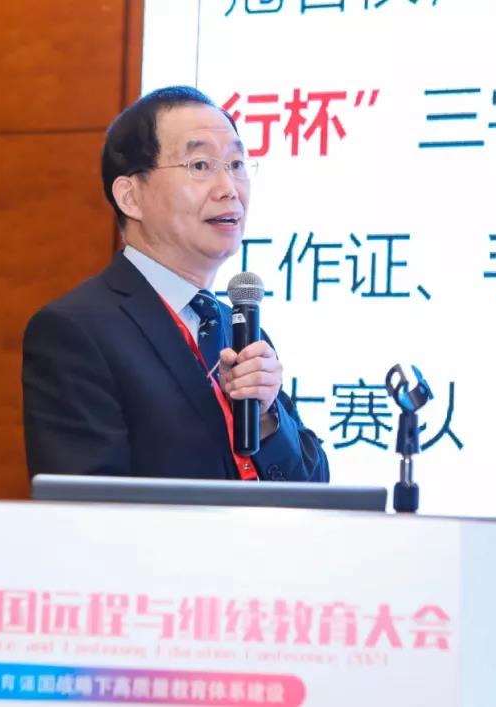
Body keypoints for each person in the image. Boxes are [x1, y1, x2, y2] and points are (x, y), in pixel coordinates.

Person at [22, 86, 329, 483]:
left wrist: (268, 416)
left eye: (236, 164)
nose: (229, 188)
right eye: (200, 165)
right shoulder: (76, 330)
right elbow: (87, 505)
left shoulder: (238, 328)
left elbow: (314, 490)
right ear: (130, 197)